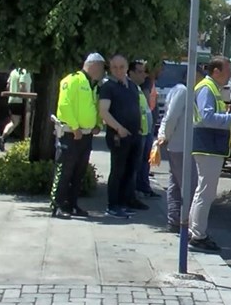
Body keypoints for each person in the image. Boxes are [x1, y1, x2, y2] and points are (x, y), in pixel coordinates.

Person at [189, 55, 231, 252]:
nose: (230, 75)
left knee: (204, 192)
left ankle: (196, 232)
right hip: (207, 147)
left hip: (209, 147)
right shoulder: (206, 88)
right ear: (216, 71)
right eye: (227, 70)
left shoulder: (211, 88)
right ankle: (198, 235)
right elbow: (207, 117)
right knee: (206, 193)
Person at [49, 53, 104, 218]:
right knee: (65, 170)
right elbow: (64, 105)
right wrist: (74, 127)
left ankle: (72, 204)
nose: (102, 72)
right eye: (101, 67)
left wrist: (98, 125)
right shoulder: (72, 80)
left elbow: (94, 107)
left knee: (78, 172)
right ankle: (57, 205)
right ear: (93, 65)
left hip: (86, 135)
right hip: (71, 134)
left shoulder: (93, 86)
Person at [98, 55, 147, 219]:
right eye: (114, 67)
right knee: (117, 171)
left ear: (127, 68)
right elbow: (103, 111)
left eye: (121, 67)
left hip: (134, 135)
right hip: (118, 136)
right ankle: (112, 205)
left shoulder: (132, 86)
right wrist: (119, 128)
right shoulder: (108, 87)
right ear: (110, 69)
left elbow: (137, 108)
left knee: (130, 170)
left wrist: (139, 128)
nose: (118, 70)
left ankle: (123, 204)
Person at [156, 65, 202, 233]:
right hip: (181, 146)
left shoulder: (179, 91)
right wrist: (164, 136)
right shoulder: (183, 92)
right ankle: (185, 223)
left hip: (177, 145)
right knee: (188, 185)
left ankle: (174, 220)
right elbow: (171, 117)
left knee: (175, 184)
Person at [130, 60, 158, 199]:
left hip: (145, 131)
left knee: (143, 161)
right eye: (140, 72)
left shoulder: (139, 88)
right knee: (136, 163)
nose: (144, 75)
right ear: (131, 73)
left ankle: (141, 188)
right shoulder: (133, 88)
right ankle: (133, 192)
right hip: (139, 133)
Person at [0, 66, 32, 151]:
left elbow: (8, 86)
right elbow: (22, 86)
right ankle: (25, 144)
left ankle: (3, 137)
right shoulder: (25, 71)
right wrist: (27, 100)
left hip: (12, 100)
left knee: (14, 122)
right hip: (22, 101)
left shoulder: (13, 72)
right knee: (26, 123)